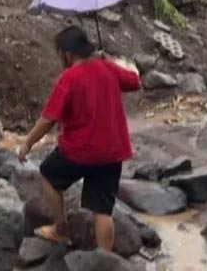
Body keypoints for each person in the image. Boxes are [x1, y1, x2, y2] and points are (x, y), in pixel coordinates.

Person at [18, 26, 141, 252]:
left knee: (48, 174)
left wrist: (27, 143)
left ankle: (60, 229)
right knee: (103, 210)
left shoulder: (69, 78)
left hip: (80, 150)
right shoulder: (107, 68)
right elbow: (135, 81)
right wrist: (113, 62)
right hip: (113, 150)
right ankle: (105, 260)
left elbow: (48, 119)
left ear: (67, 53)